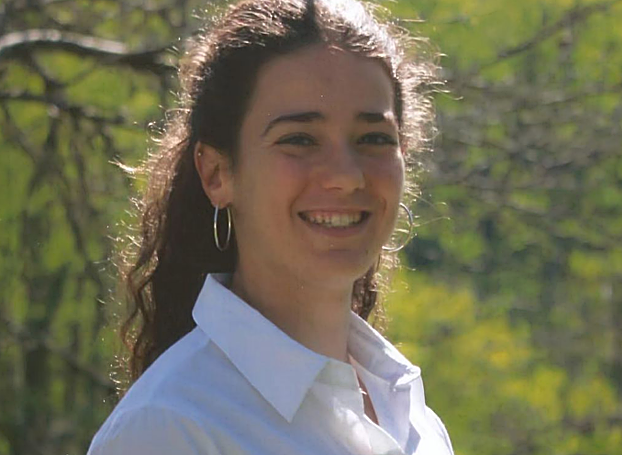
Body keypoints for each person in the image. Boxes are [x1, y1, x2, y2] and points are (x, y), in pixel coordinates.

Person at [87, 0, 452, 453]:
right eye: (299, 139)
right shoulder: (170, 426)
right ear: (217, 174)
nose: (346, 176)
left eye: (374, 138)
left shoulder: (414, 420)